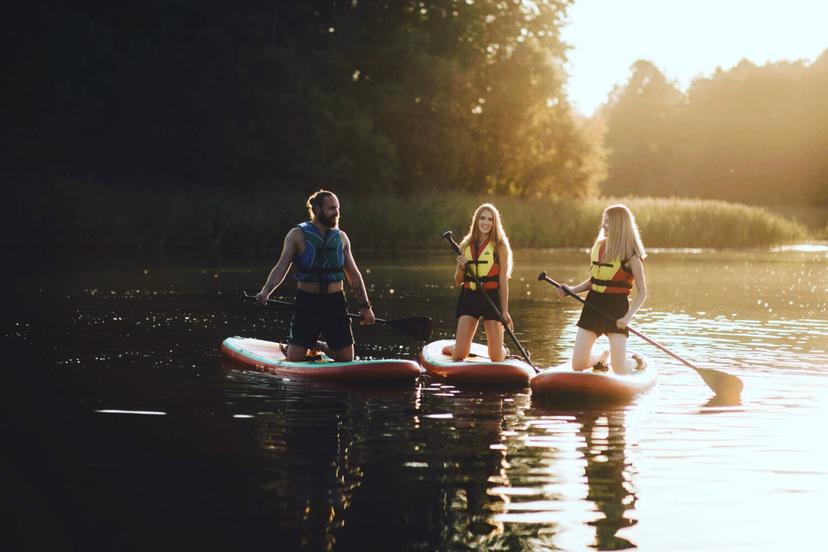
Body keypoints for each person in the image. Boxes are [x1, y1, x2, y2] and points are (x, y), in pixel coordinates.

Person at [255, 190, 375, 362]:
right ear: (318, 209)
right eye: (331, 208)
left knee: (347, 358)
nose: (337, 212)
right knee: (295, 359)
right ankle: (298, 346)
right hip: (307, 301)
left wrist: (366, 306)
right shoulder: (296, 235)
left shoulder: (341, 237)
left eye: (338, 208)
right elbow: (280, 268)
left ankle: (317, 345)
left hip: (335, 302)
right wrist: (265, 293)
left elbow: (354, 275)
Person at [557, 204, 648, 374]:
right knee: (577, 365)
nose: (603, 226)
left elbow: (643, 293)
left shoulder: (632, 257)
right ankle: (600, 358)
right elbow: (594, 281)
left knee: (620, 369)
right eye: (604, 221)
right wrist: (572, 290)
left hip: (617, 310)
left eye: (608, 222)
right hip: (593, 305)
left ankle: (636, 361)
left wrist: (628, 317)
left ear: (619, 225)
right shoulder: (599, 248)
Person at [443, 203, 513, 362]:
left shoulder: (500, 246)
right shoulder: (465, 245)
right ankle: (453, 348)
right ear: (476, 220)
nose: (485, 222)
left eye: (490, 219)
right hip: (470, 297)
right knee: (459, 355)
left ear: (495, 223)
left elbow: (503, 282)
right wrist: (461, 267)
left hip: (492, 297)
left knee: (496, 357)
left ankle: (503, 350)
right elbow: (458, 281)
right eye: (482, 218)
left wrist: (504, 311)